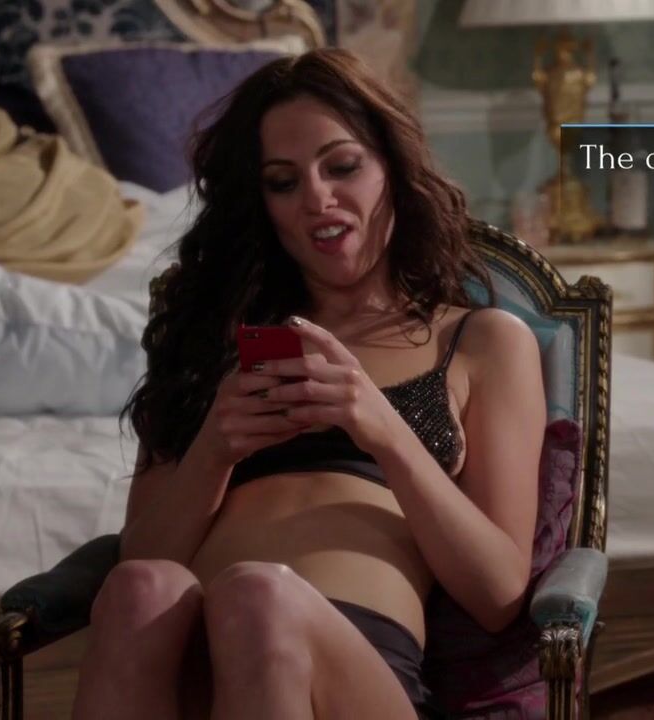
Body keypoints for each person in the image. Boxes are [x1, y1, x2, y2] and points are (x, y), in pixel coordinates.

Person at [73, 48, 546, 720]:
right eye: (282, 181)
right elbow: (143, 556)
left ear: (393, 169)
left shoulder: (481, 341)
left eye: (342, 166)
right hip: (193, 665)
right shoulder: (210, 341)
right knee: (139, 588)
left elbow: (498, 594)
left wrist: (382, 429)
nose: (317, 199)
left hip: (352, 673)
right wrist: (214, 449)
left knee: (258, 596)